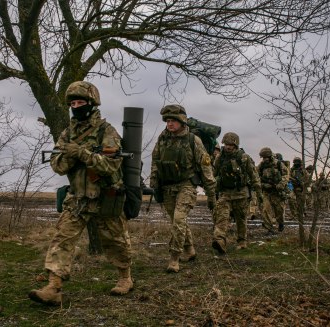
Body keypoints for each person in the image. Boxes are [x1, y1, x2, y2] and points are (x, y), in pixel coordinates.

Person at [29, 81, 133, 305]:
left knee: (116, 241)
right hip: (78, 198)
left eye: (80, 102)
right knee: (62, 239)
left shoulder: (107, 131)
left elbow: (110, 166)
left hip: (106, 196)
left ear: (92, 104)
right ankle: (53, 287)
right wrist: (69, 155)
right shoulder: (67, 133)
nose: (76, 106)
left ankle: (125, 278)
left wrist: (83, 154)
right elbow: (57, 166)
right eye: (73, 103)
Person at [150, 104, 216, 273]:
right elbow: (155, 162)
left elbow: (206, 169)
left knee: (179, 220)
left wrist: (211, 195)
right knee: (176, 222)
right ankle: (190, 249)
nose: (170, 124)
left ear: (182, 121)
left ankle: (174, 258)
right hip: (167, 186)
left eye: (173, 121)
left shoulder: (193, 140)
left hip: (186, 185)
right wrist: (154, 185)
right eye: (168, 121)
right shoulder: (162, 138)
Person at [211, 132, 262, 253]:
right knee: (221, 216)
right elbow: (213, 174)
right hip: (225, 193)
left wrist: (258, 192)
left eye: (231, 144)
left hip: (241, 193)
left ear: (235, 145)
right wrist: (211, 189)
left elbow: (253, 175)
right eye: (226, 144)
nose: (228, 147)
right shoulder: (220, 158)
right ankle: (220, 240)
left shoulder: (243, 157)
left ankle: (242, 241)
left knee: (241, 218)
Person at [257, 147, 289, 234]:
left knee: (279, 210)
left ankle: (281, 223)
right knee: (266, 210)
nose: (264, 159)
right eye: (263, 158)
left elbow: (286, 175)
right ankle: (269, 228)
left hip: (277, 192)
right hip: (267, 192)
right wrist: (263, 185)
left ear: (270, 156)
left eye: (265, 157)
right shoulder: (261, 166)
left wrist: (280, 184)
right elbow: (256, 177)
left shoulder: (278, 164)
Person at [288, 157, 309, 223]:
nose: (296, 164)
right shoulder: (291, 170)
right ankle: (293, 214)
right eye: (295, 162)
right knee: (291, 199)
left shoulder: (303, 171)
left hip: (300, 188)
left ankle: (301, 214)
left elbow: (307, 179)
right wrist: (291, 181)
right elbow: (288, 177)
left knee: (300, 202)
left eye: (298, 162)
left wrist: (303, 184)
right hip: (292, 187)